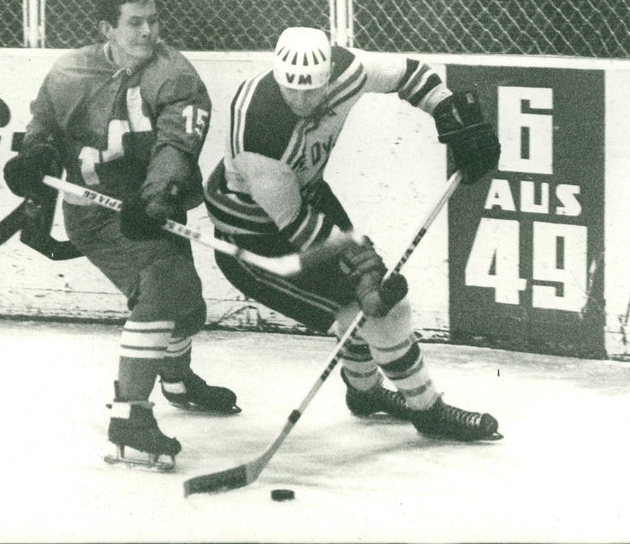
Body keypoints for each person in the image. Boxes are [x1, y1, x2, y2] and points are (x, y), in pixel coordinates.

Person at [204, 27, 502, 441]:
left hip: (306, 201)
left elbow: (410, 75)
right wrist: (361, 267)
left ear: (329, 74)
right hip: (256, 242)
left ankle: (365, 395)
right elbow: (297, 227)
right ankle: (427, 410)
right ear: (277, 76)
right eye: (293, 90)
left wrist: (447, 111)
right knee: (372, 307)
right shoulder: (256, 129)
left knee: (370, 305)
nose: (304, 101)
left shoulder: (348, 69)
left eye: (314, 90)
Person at [3, 0, 239, 468]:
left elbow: (176, 147)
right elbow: (41, 132)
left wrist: (154, 199)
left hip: (154, 209)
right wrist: (33, 159)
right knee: (163, 289)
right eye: (136, 22)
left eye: (154, 20)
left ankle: (175, 381)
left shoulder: (177, 76)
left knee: (190, 309)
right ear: (107, 28)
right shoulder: (68, 72)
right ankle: (130, 416)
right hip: (94, 213)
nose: (148, 31)